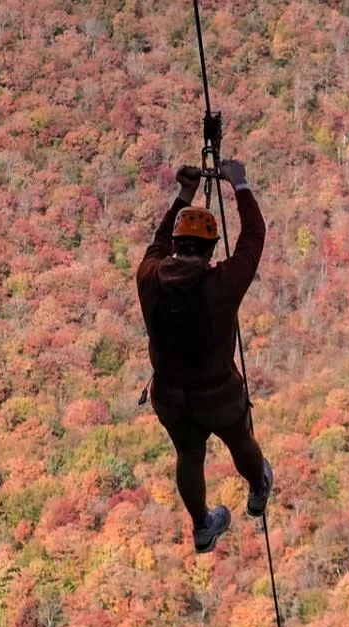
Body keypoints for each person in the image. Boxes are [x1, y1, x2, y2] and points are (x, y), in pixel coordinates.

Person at [136, 159, 273, 553]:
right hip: (217, 393)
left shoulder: (149, 278)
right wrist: (240, 184)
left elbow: (156, 245)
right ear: (212, 248)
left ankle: (201, 526)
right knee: (239, 437)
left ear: (177, 246)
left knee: (189, 455)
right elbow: (253, 237)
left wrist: (184, 194)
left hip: (171, 396)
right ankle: (258, 488)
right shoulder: (222, 284)